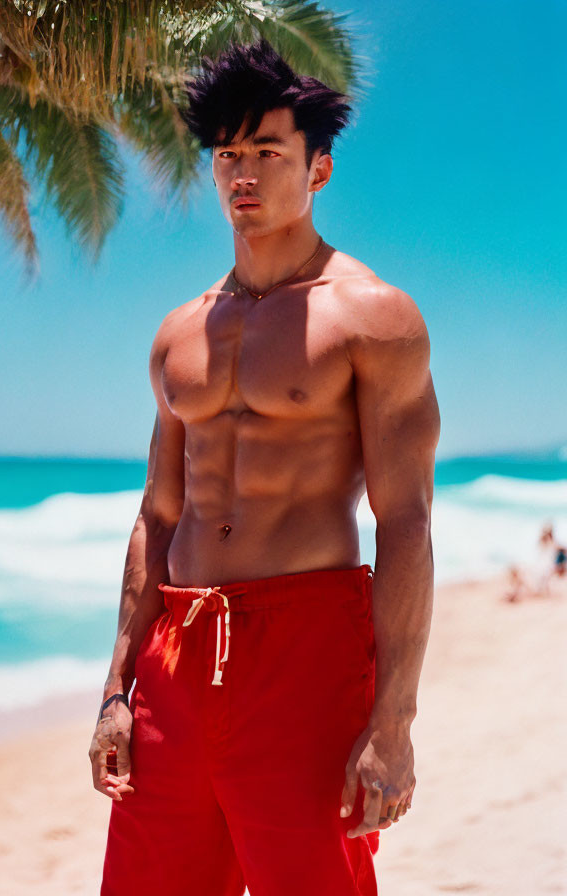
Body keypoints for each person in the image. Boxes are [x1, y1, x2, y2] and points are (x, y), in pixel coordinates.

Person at [89, 37, 441, 896]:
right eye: (226, 155)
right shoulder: (180, 334)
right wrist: (116, 692)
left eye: (267, 152)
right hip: (179, 650)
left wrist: (393, 721)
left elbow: (405, 521)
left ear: (317, 169)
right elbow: (157, 517)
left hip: (308, 648)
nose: (242, 173)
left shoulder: (372, 320)